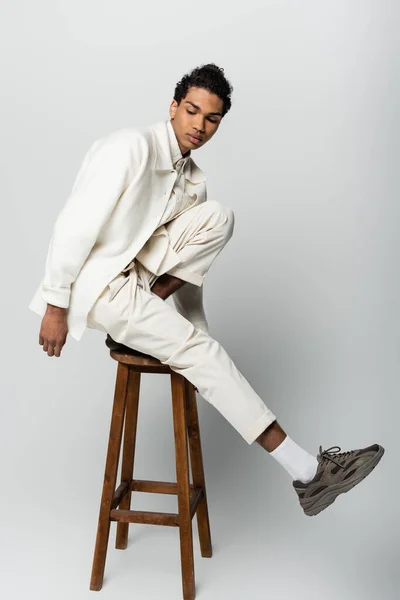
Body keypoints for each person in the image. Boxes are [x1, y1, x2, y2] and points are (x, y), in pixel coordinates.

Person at [29, 63, 384, 517]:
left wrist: (198, 336)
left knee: (220, 217)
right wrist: (56, 303)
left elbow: (190, 276)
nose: (199, 125)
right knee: (201, 354)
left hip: (139, 280)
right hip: (100, 286)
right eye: (192, 111)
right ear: (174, 107)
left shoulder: (192, 180)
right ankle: (308, 474)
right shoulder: (129, 148)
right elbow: (74, 224)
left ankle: (157, 322)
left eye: (212, 118)